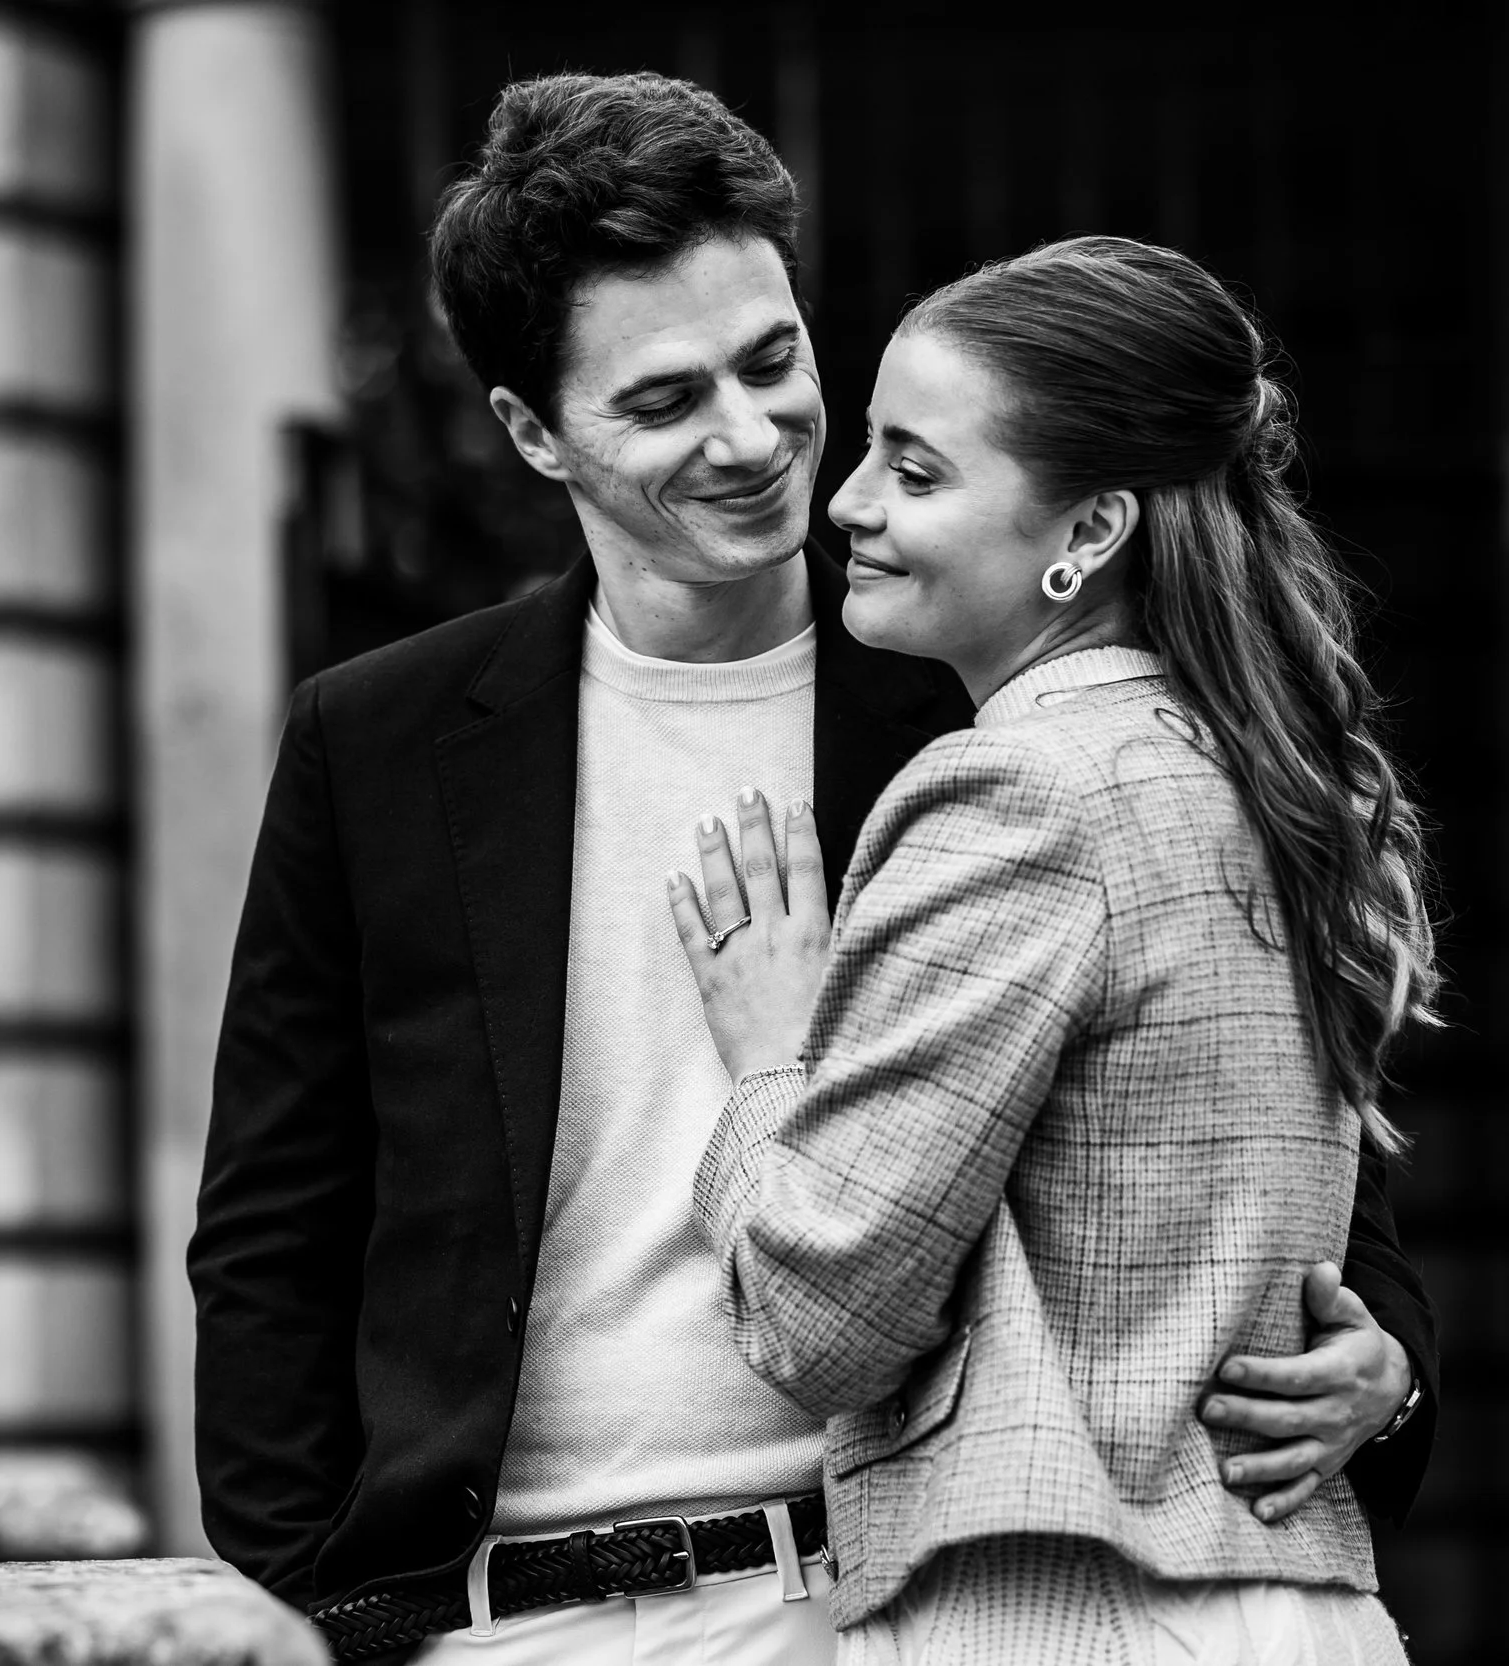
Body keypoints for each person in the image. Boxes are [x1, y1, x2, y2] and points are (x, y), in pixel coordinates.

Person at [190, 73, 1435, 1666]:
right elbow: (274, 1223)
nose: (755, 437)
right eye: (663, 401)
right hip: (504, 1627)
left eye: (775, 361)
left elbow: (1264, 1114)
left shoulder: (986, 704)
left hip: (913, 1599)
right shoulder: (377, 741)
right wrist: (327, 1610)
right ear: (532, 431)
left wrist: (1388, 1359)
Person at [675, 237, 1429, 1664]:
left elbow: (820, 1320)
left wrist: (771, 1058)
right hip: (1302, 1606)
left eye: (915, 468)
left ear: (1086, 534)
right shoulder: (1272, 785)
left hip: (1065, 1606)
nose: (846, 501)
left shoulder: (1018, 791)